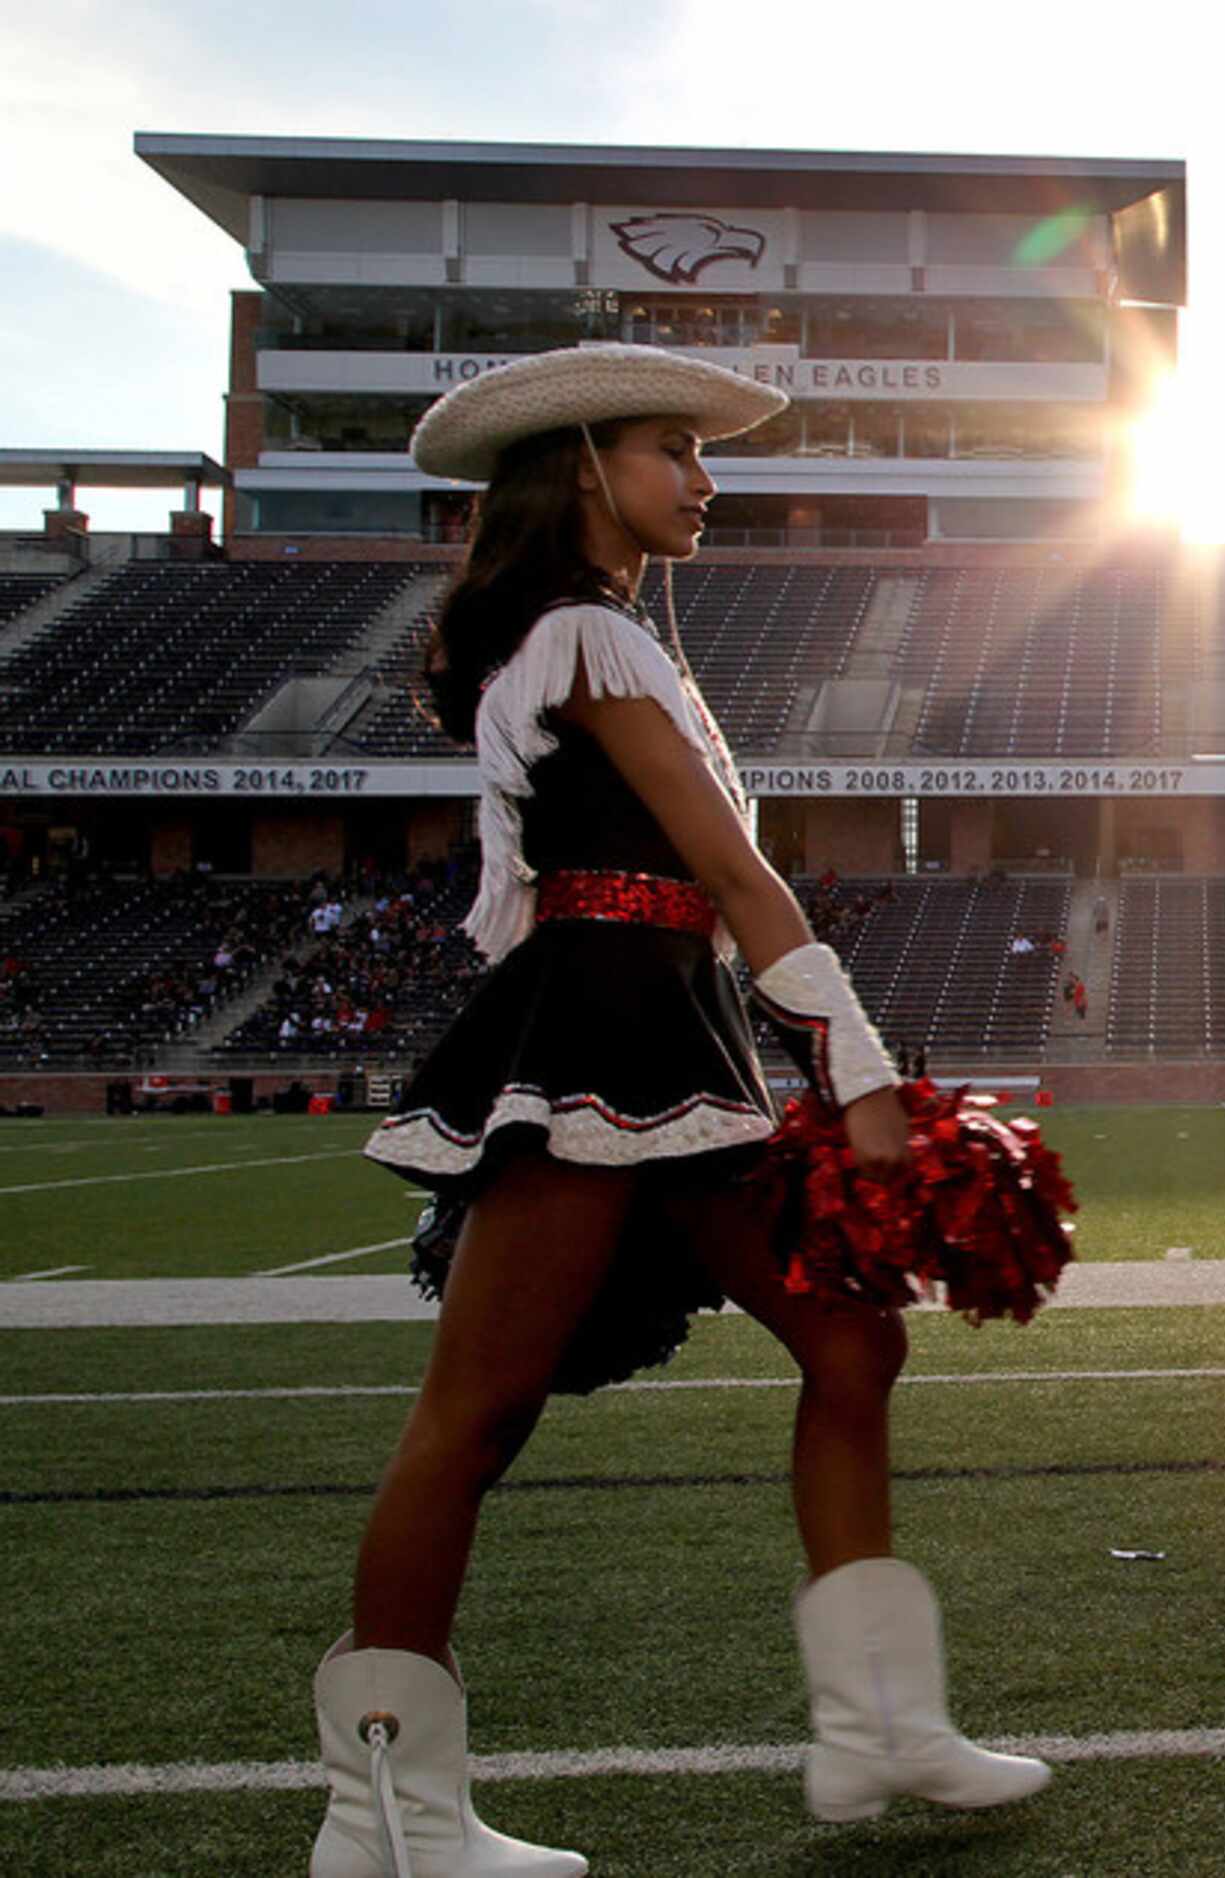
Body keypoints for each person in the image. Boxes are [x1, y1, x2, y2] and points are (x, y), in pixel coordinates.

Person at [330, 345, 1046, 1876]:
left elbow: (698, 898)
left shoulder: (586, 632)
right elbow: (734, 872)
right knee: (472, 1415)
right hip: (601, 1033)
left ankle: (880, 1725)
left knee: (852, 1338)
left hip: (667, 1021)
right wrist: (855, 1072)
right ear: (585, 462)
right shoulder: (587, 632)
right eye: (674, 449)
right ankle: (382, 1811)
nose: (705, 480)